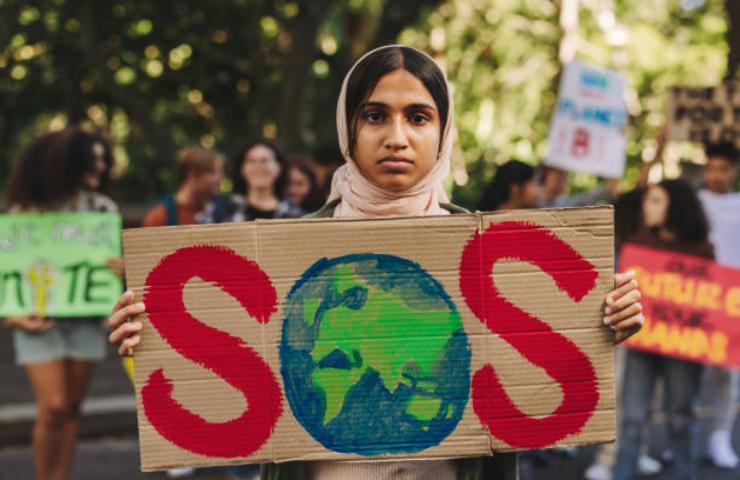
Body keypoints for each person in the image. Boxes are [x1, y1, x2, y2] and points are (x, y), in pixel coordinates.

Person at [107, 45, 644, 480]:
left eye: (418, 116)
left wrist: (598, 327)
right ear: (349, 128)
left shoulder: (489, 254)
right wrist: (149, 336)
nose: (396, 137)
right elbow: (226, 380)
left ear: (443, 132)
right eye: (374, 115)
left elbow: (538, 381)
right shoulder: (283, 254)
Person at [3, 128, 122, 480]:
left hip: (85, 320)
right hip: (37, 322)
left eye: (103, 158)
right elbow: (8, 273)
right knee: (52, 406)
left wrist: (123, 266)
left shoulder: (102, 209)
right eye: (92, 158)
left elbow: (110, 267)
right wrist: (12, 317)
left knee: (71, 408)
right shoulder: (24, 213)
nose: (100, 166)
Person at [612, 179, 713, 480]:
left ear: (675, 207)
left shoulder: (701, 250)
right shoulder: (639, 244)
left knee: (681, 419)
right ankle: (622, 473)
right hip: (643, 345)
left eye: (656, 200)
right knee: (631, 417)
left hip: (683, 349)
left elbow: (711, 303)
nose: (646, 206)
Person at [696, 142, 740, 469]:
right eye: (711, 168)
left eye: (723, 169)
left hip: (732, 300)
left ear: (734, 171)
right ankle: (686, 437)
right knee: (691, 372)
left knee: (728, 372)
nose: (716, 175)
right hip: (695, 296)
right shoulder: (694, 204)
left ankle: (720, 436)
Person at [212, 138, 301, 222]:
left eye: (265, 161)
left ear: (279, 168)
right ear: (242, 169)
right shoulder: (222, 209)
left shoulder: (295, 214)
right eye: (252, 161)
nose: (258, 167)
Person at [142, 146, 225, 227]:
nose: (221, 178)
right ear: (193, 176)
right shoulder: (159, 218)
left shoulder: (222, 211)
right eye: (214, 172)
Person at [537, 165, 618, 208]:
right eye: (559, 177)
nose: (563, 182)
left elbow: (581, 200)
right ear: (544, 175)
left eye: (565, 177)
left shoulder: (560, 201)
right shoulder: (533, 203)